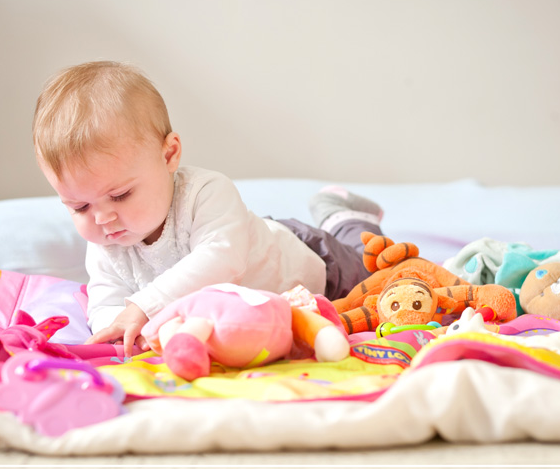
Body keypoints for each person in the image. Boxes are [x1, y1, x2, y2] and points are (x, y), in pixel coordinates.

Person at [33, 60, 384, 356]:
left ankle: (346, 215)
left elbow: (222, 259)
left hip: (313, 262)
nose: (102, 218)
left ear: (169, 155)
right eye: (79, 206)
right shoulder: (105, 243)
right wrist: (123, 329)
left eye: (121, 195)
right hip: (260, 316)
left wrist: (142, 307)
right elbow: (106, 301)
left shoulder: (206, 192)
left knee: (380, 272)